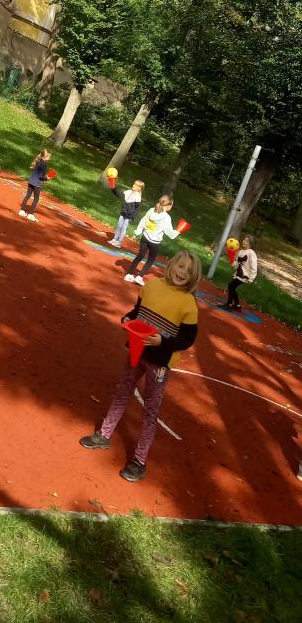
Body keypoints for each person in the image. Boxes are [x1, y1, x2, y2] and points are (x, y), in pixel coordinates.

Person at [79, 249, 200, 482]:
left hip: (160, 363)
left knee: (150, 410)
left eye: (188, 270)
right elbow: (138, 311)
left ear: (193, 276)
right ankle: (104, 434)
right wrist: (128, 318)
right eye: (180, 266)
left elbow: (187, 339)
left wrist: (162, 341)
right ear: (171, 265)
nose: (182, 272)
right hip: (137, 351)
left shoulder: (188, 304)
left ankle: (139, 461)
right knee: (122, 392)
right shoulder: (151, 286)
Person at [125, 195, 180, 286]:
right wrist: (178, 231)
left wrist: (137, 233)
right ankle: (139, 277)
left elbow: (143, 221)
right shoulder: (166, 218)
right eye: (171, 205)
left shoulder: (151, 210)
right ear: (169, 205)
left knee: (140, 255)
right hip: (154, 242)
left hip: (145, 238)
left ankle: (129, 274)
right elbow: (170, 233)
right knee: (150, 259)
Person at [221, 235, 257, 311]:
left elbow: (254, 266)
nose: (244, 241)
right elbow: (237, 264)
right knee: (232, 287)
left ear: (251, 244)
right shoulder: (240, 251)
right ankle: (237, 305)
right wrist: (233, 263)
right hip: (238, 274)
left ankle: (229, 304)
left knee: (231, 286)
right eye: (244, 240)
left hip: (245, 275)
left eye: (247, 241)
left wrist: (251, 278)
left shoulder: (251, 253)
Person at [109, 180, 145, 248]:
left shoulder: (138, 197)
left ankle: (119, 242)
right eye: (134, 184)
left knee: (123, 228)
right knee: (119, 226)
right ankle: (114, 239)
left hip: (129, 216)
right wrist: (113, 188)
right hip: (123, 213)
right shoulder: (128, 192)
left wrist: (132, 217)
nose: (134, 185)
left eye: (136, 185)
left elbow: (137, 209)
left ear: (139, 188)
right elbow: (119, 194)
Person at [19, 148, 52, 222]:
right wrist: (47, 178)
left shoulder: (38, 161)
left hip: (31, 181)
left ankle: (22, 210)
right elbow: (41, 176)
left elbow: (38, 173)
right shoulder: (43, 165)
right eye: (49, 157)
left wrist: (45, 177)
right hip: (36, 183)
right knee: (36, 198)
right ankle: (30, 214)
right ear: (45, 156)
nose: (50, 159)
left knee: (28, 195)